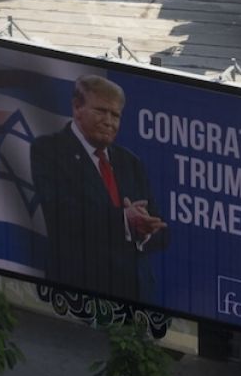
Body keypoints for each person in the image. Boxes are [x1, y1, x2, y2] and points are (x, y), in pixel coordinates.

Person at [30, 74, 168, 302]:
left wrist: (146, 230)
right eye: (101, 111)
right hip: (80, 294)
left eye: (115, 115)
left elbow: (162, 231)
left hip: (136, 297)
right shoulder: (49, 150)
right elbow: (63, 216)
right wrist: (125, 220)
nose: (109, 121)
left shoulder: (130, 162)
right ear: (77, 108)